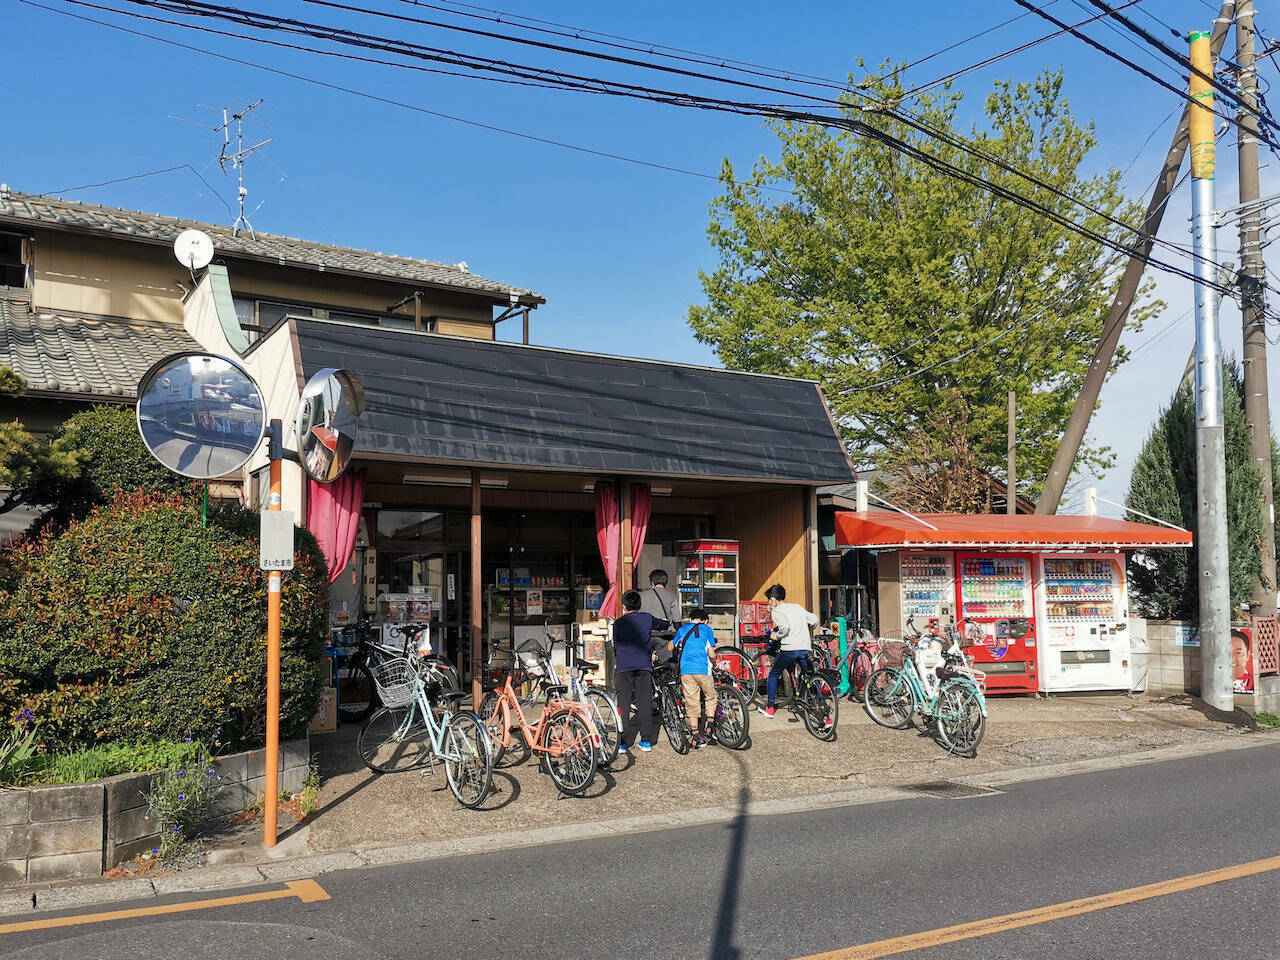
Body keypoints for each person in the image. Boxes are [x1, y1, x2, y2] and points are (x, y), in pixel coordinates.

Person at [613, 589, 668, 752]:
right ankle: (646, 741)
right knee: (645, 702)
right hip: (644, 665)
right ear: (640, 604)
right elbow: (664, 624)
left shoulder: (618, 623)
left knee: (623, 703)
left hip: (624, 666)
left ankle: (622, 743)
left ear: (624, 606)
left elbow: (616, 645)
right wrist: (665, 620)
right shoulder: (647, 618)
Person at [759, 583, 818, 718]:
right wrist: (807, 628)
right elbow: (814, 620)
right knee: (810, 676)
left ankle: (769, 708)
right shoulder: (797, 607)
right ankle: (819, 706)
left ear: (773, 599)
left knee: (774, 674)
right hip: (805, 647)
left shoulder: (777, 611)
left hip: (790, 648)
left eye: (769, 600)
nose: (769, 603)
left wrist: (776, 636)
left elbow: (784, 628)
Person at [670, 607, 717, 750]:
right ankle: (709, 725)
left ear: (690, 619)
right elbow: (711, 653)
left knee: (692, 702)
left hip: (686, 671)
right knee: (711, 697)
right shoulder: (707, 629)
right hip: (703, 669)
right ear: (706, 621)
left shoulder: (682, 630)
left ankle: (695, 736)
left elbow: (670, 647)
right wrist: (714, 663)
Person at [639, 569, 682, 664]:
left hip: (645, 636)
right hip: (664, 637)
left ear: (652, 582)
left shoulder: (641, 596)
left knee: (645, 663)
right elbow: (676, 620)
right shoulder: (671, 597)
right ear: (666, 582)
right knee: (665, 665)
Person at [1231, 630, 1254, 694]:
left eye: (1238, 653)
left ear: (1248, 655)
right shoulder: (1217, 683)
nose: (1232, 658)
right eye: (1227, 652)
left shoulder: (1253, 684)